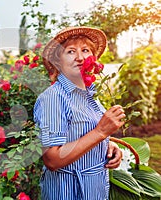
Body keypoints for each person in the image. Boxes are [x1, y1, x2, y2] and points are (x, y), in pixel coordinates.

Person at [33, 27, 125, 200]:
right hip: (69, 191)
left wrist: (108, 146)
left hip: (95, 189)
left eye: (85, 50)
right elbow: (52, 159)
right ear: (57, 62)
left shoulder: (89, 93)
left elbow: (83, 133)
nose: (80, 57)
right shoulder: (54, 98)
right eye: (70, 51)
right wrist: (101, 132)